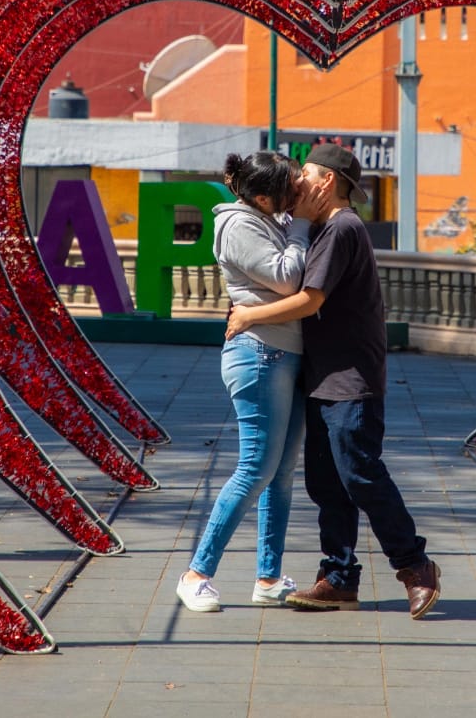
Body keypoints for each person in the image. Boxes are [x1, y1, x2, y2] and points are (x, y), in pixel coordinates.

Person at [226, 143, 441, 619]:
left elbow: (309, 300)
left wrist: (248, 317)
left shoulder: (342, 227)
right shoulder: (318, 228)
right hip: (323, 376)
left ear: (325, 181)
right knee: (327, 485)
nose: (294, 184)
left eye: (302, 174)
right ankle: (339, 578)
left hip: (351, 378)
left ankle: (415, 566)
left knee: (360, 474)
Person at [177, 151, 320, 613]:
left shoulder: (267, 218)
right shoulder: (239, 225)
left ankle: (268, 577)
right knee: (255, 469)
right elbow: (287, 277)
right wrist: (299, 223)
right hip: (260, 355)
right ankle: (196, 574)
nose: (296, 192)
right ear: (262, 195)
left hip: (285, 355)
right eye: (288, 186)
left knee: (280, 475)